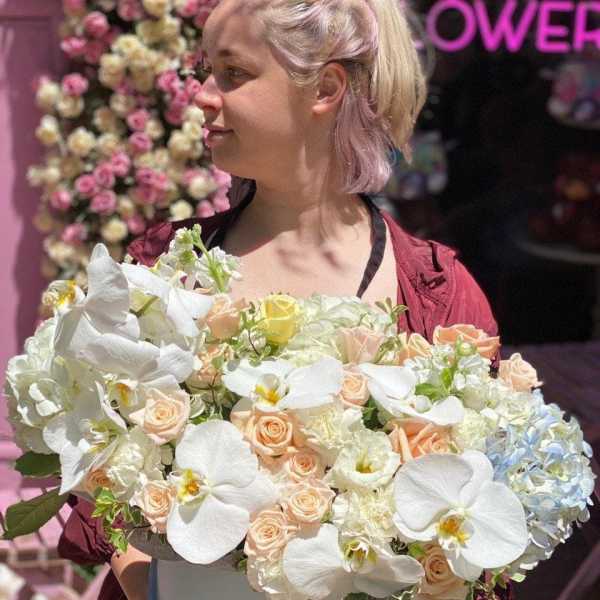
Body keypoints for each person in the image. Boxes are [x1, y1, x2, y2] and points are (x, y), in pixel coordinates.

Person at [58, 0, 511, 598]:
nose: (202, 96)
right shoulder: (162, 270)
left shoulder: (437, 296)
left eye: (233, 73)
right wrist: (150, 584)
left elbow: (480, 521)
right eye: (205, 71)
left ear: (324, 88)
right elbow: (99, 471)